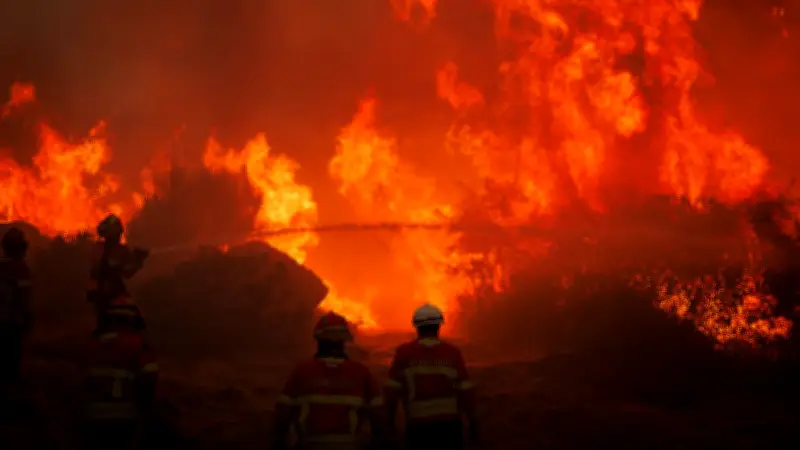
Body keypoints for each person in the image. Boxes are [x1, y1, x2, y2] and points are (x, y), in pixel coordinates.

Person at [273, 311, 383, 450]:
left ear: (318, 340)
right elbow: (379, 419)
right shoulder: (361, 373)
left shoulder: (302, 372)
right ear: (344, 342)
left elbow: (282, 416)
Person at [384, 304, 478, 450]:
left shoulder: (404, 353)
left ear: (416, 327)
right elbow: (466, 391)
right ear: (438, 326)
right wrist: (473, 423)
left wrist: (389, 426)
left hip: (418, 426)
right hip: (450, 426)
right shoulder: (452, 352)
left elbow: (391, 393)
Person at [80, 300, 159, 450]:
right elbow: (150, 384)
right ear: (133, 322)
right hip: (124, 421)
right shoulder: (139, 347)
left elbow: (78, 383)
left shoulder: (90, 346)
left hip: (90, 418)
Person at [87, 214, 148, 330]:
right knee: (103, 325)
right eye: (116, 232)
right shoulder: (98, 248)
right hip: (101, 294)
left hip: (117, 292)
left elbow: (127, 273)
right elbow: (103, 266)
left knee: (136, 319)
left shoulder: (122, 250)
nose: (119, 235)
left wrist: (138, 259)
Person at [0, 227, 33, 387]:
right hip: (11, 323)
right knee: (11, 365)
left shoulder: (2, 267)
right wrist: (27, 318)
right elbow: (23, 297)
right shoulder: (20, 268)